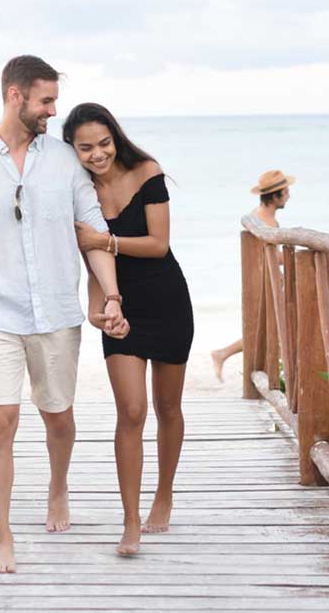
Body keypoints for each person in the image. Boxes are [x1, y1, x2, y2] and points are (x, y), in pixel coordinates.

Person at [0, 56, 128, 574]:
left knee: (58, 415)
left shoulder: (65, 161)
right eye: (45, 100)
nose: (53, 110)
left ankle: (58, 485)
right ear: (15, 96)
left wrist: (110, 296)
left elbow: (91, 231)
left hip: (57, 312)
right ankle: (2, 535)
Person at [64, 102, 194, 555]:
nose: (97, 154)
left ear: (115, 137)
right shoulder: (79, 192)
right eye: (85, 148)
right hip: (121, 306)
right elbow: (90, 262)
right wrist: (98, 309)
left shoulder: (146, 172)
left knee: (168, 408)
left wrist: (106, 239)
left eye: (104, 143)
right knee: (132, 412)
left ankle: (165, 493)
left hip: (168, 300)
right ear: (72, 151)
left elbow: (159, 245)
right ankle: (130, 521)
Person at [210, 170, 294, 382]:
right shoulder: (265, 221)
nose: (289, 195)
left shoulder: (260, 216)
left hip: (268, 281)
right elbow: (272, 256)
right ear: (275, 196)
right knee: (267, 332)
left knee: (268, 331)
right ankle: (223, 354)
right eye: (286, 192)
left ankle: (226, 355)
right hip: (266, 283)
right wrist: (294, 255)